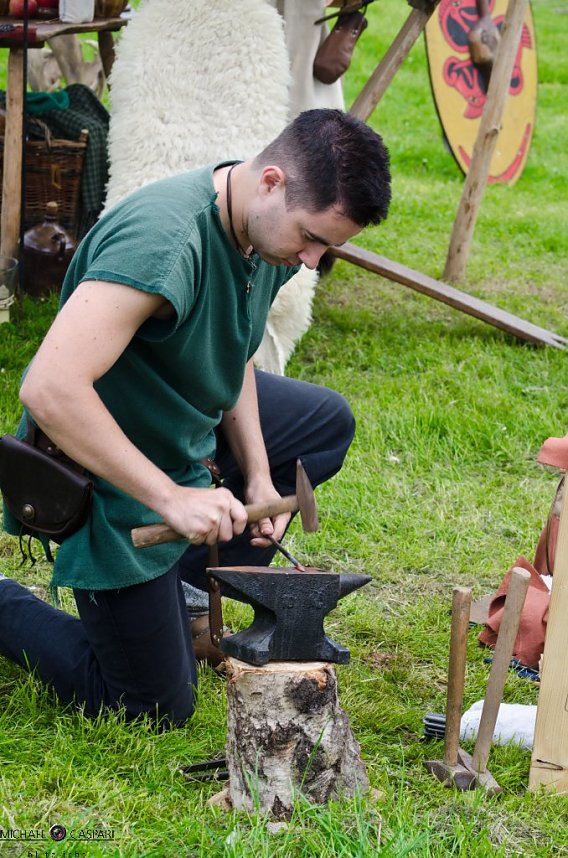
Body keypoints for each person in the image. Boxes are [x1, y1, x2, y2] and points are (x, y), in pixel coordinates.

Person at [0, 109, 391, 726]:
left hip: (179, 426)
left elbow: (230, 352)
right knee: (150, 706)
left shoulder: (261, 235)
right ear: (271, 181)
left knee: (323, 423)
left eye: (329, 248)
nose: (313, 261)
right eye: (312, 237)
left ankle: (181, 593)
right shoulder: (163, 241)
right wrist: (171, 499)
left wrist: (261, 478)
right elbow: (49, 388)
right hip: (100, 463)